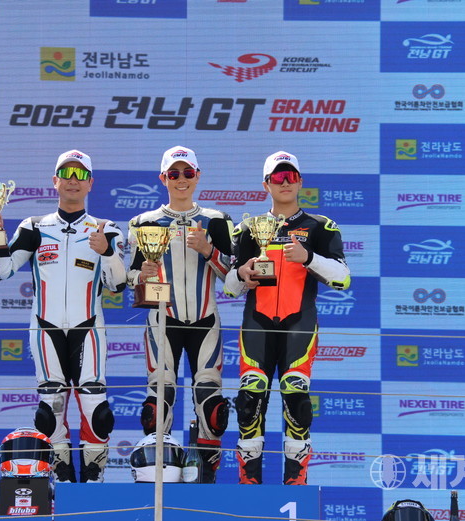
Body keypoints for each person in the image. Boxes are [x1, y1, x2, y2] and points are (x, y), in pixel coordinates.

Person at [0, 149, 127, 483]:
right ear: (55, 181)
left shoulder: (106, 228)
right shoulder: (34, 226)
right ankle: (61, 477)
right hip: (45, 328)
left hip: (88, 328)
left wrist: (106, 251)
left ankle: (93, 478)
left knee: (98, 411)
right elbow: (0, 271)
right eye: (66, 174)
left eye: (80, 175)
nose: (73, 181)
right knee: (50, 411)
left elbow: (117, 285)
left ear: (90, 183)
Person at [223, 151, 351, 485]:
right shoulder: (248, 228)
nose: (285, 182)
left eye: (290, 176)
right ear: (265, 184)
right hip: (258, 323)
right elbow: (231, 289)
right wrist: (243, 273)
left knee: (297, 400)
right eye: (277, 177)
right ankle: (249, 484)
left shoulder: (320, 226)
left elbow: (343, 278)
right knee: (249, 401)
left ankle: (296, 483)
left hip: (299, 323)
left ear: (300, 181)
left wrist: (308, 257)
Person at [127, 146, 232, 483]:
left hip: (205, 320)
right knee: (158, 400)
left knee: (211, 405)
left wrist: (208, 250)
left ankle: (206, 477)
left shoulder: (217, 220)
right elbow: (129, 277)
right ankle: (158, 475)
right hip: (162, 321)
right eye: (174, 173)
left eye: (188, 172)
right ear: (163, 178)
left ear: (198, 176)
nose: (181, 179)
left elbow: (234, 279)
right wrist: (141, 275)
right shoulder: (143, 223)